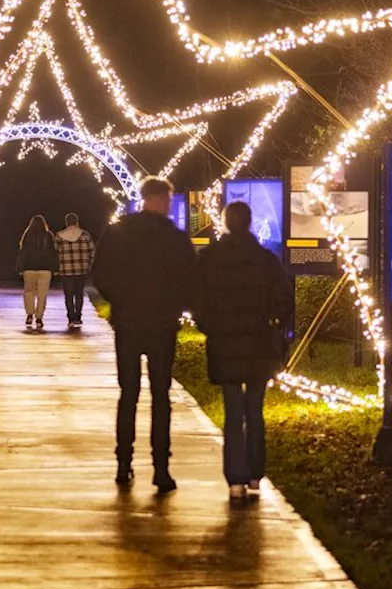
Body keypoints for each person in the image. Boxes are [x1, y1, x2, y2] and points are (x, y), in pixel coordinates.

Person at [92, 178, 196, 493]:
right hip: (162, 325)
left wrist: (120, 300)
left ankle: (124, 463)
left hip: (128, 323)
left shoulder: (119, 232)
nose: (169, 204)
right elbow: (189, 278)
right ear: (159, 198)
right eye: (168, 199)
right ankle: (161, 468)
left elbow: (101, 274)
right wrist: (176, 305)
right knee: (161, 397)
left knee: (129, 395)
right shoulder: (175, 237)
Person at [194, 201, 292, 500]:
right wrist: (274, 325)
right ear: (250, 223)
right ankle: (254, 475)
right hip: (259, 344)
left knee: (233, 411)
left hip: (225, 344)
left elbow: (198, 299)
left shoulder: (209, 259)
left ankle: (234, 476)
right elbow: (284, 299)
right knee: (255, 410)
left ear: (224, 223)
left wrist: (209, 326)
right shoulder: (266, 260)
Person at [55, 213, 97, 329]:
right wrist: (90, 265)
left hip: (66, 270)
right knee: (79, 294)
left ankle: (71, 318)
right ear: (77, 222)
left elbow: (55, 253)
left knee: (68, 295)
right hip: (81, 269)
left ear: (66, 222)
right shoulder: (85, 235)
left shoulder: (59, 236)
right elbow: (92, 251)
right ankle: (78, 317)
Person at [17, 215, 58, 331]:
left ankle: (29, 314)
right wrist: (54, 267)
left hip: (29, 268)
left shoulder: (27, 235)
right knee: (42, 294)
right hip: (45, 269)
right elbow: (53, 252)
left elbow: (23, 252)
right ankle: (39, 317)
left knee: (29, 291)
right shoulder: (48, 236)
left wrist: (20, 267)